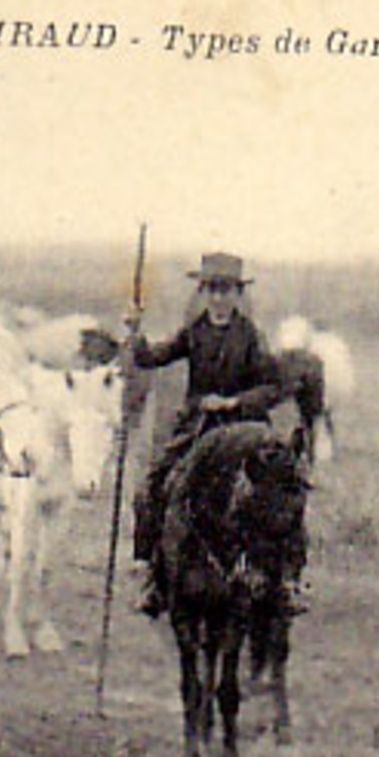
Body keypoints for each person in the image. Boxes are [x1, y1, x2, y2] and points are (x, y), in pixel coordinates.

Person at [125, 252, 294, 618]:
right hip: (198, 429)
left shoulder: (251, 336)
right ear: (203, 292)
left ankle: (284, 581)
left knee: (281, 489)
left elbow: (276, 386)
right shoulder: (194, 332)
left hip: (244, 428)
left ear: (238, 293)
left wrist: (233, 402)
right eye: (212, 289)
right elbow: (151, 357)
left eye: (227, 289)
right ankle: (151, 574)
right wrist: (135, 335)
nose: (219, 297)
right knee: (153, 484)